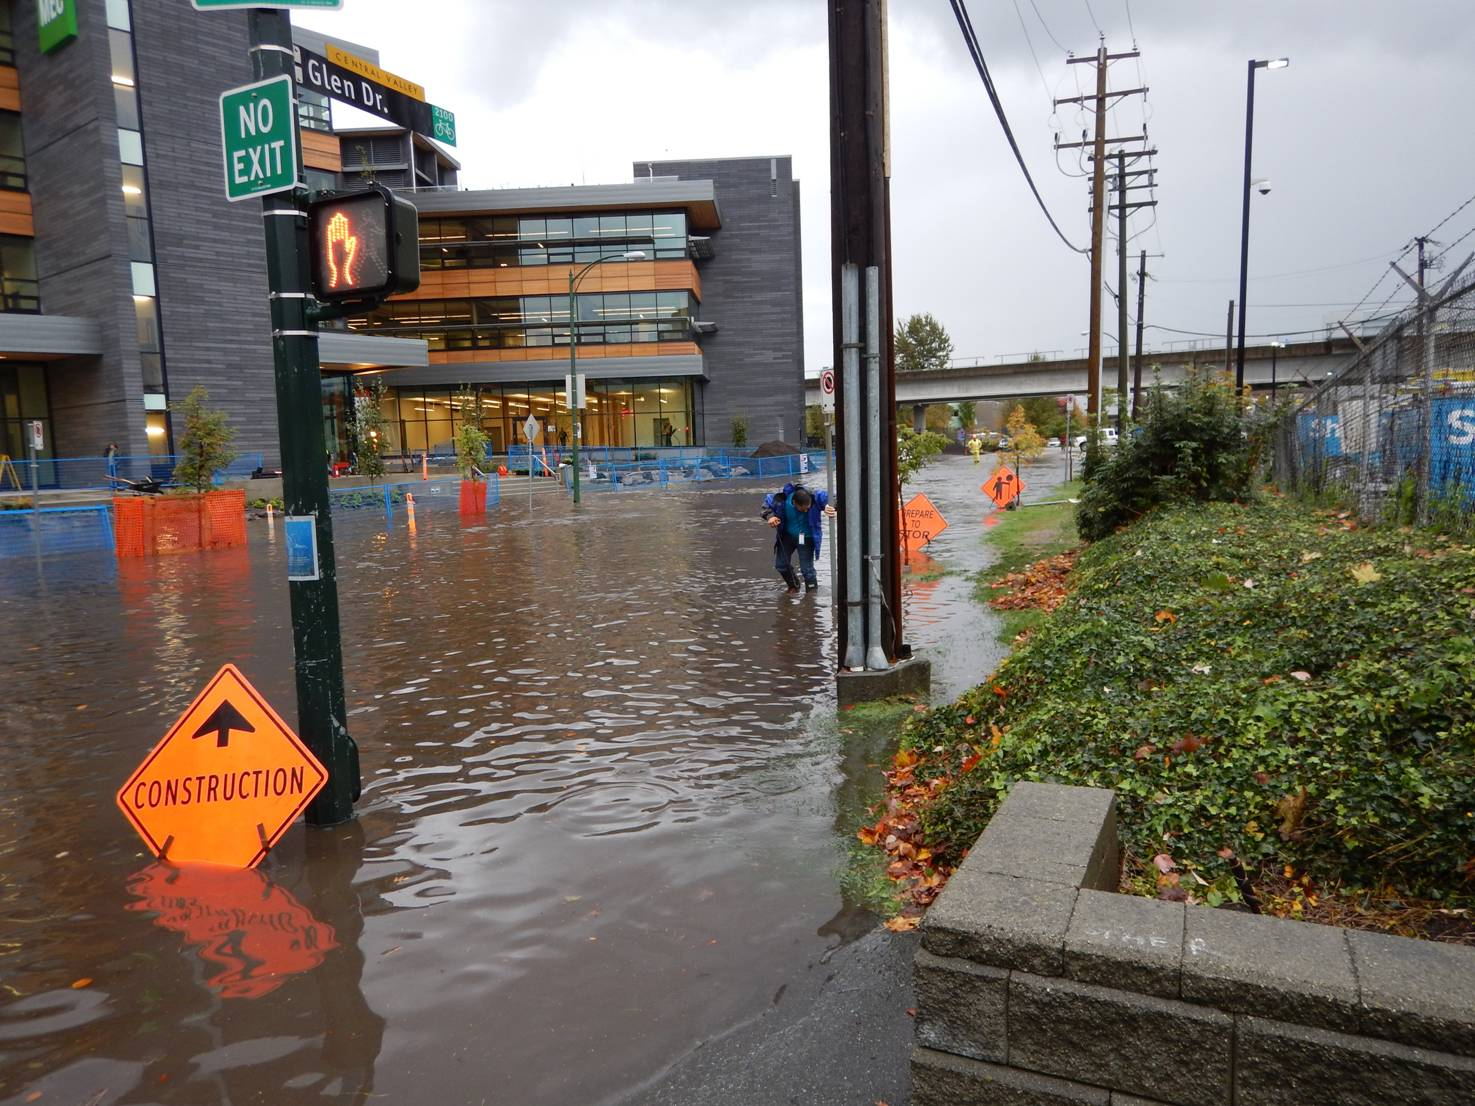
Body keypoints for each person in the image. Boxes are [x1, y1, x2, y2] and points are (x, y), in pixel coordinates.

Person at [761, 483, 836, 594]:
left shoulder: (815, 496)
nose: (806, 511)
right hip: (787, 536)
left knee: (807, 570)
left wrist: (829, 505)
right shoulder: (782, 498)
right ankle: (794, 586)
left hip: (807, 538)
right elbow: (766, 505)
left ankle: (811, 595)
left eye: (808, 508)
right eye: (803, 509)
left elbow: (834, 498)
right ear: (794, 503)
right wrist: (770, 517)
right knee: (781, 565)